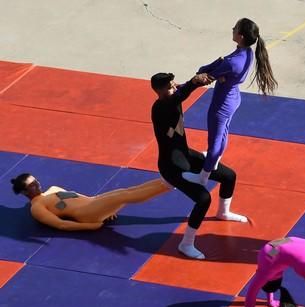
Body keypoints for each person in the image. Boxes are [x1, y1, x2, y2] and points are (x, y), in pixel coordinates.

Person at [150, 71, 248, 260]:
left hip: (186, 155)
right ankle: (186, 244)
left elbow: (181, 90)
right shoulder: (162, 107)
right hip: (171, 166)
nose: (175, 86)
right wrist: (195, 82)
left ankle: (223, 212)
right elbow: (181, 94)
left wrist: (208, 73)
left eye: (174, 83)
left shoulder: (171, 95)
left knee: (229, 176)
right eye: (170, 86)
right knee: (203, 199)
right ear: (160, 91)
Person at [183, 17, 278, 186]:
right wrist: (220, 73)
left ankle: (203, 178)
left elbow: (208, 75)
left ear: (241, 36)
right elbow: (221, 66)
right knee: (223, 133)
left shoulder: (233, 62)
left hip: (222, 104)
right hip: (233, 99)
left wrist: (197, 76)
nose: (232, 29)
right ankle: (215, 159)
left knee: (214, 140)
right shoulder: (246, 52)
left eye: (235, 28)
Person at [10, 173, 169, 231]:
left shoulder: (53, 189)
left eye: (36, 181)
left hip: (93, 203)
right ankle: (171, 184)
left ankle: (169, 180)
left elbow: (80, 197)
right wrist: (89, 226)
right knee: (123, 196)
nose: (37, 184)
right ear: (25, 192)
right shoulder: (37, 207)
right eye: (32, 185)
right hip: (87, 214)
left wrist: (105, 205)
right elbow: (60, 224)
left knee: (126, 191)